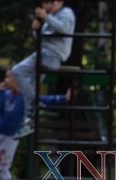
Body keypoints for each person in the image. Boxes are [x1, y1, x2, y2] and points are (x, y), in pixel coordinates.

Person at [0, 69, 71, 180]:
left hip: (11, 136)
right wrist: (1, 92)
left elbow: (44, 100)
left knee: (1, 166)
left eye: (10, 78)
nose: (6, 80)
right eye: (6, 77)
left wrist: (63, 98)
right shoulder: (6, 94)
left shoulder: (26, 96)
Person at [11, 0, 75, 139]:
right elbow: (42, 39)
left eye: (48, 3)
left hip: (50, 55)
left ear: (58, 2)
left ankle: (37, 102)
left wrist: (46, 17)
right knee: (31, 86)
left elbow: (64, 28)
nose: (45, 7)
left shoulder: (66, 13)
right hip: (44, 53)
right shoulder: (51, 17)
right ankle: (28, 123)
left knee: (17, 71)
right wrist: (36, 29)